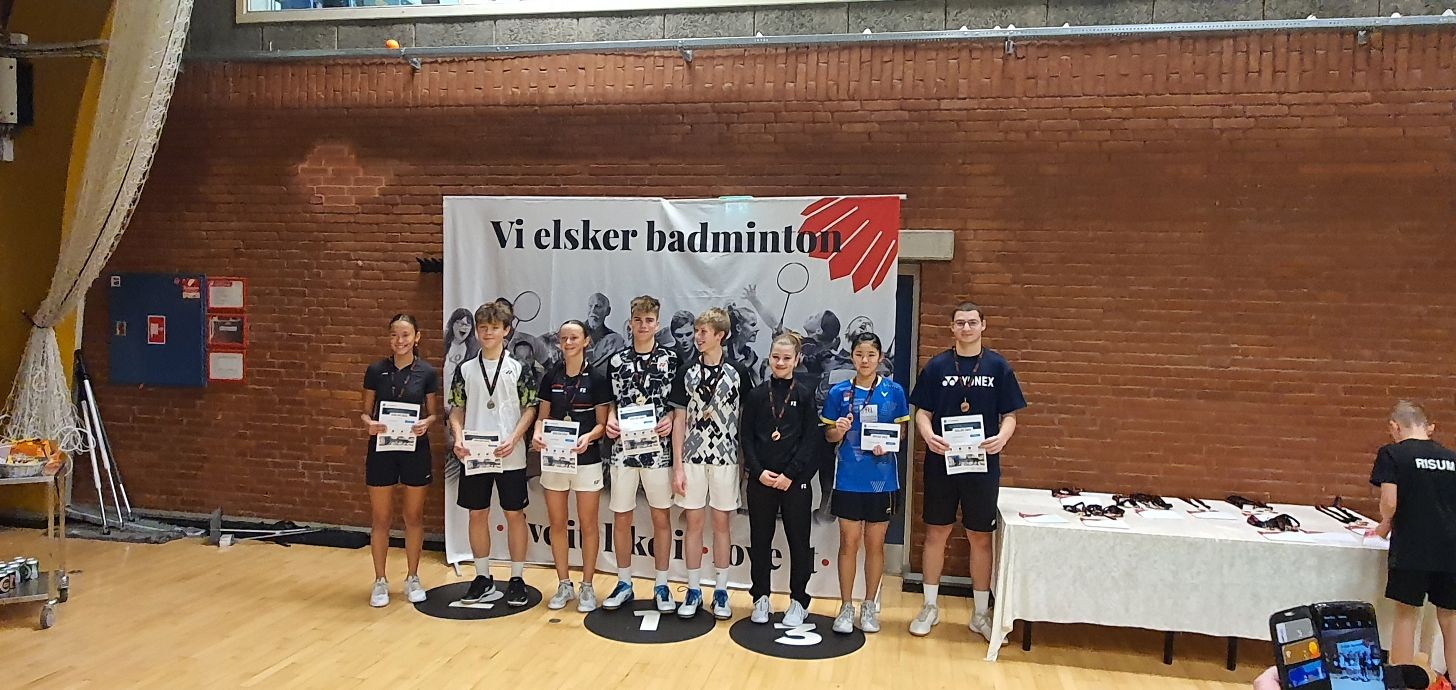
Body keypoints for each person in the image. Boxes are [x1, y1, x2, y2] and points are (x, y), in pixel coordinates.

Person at [908, 301, 1026, 640]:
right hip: (942, 463)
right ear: (952, 327)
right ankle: (930, 606)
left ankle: (980, 613)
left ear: (983, 325)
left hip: (982, 465)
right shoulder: (937, 366)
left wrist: (1002, 437)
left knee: (980, 537)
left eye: (972, 322)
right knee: (936, 533)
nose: (966, 328)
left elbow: (1010, 415)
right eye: (960, 322)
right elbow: (922, 412)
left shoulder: (998, 366)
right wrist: (927, 434)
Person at [448, 301, 540, 608]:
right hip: (474, 454)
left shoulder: (519, 368)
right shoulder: (465, 369)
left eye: (495, 328)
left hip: (510, 453)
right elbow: (457, 408)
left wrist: (515, 438)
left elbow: (530, 408)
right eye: (483, 328)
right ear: (477, 331)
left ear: (506, 331)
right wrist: (458, 437)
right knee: (477, 513)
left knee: (515, 514)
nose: (488, 333)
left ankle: (517, 577)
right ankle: (482, 576)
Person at [821, 331, 910, 634]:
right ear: (852, 357)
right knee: (848, 543)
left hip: (882, 481)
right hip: (848, 479)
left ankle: (869, 604)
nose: (865, 360)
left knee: (875, 544)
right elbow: (829, 436)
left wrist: (889, 444)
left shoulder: (894, 391)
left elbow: (902, 433)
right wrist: (839, 430)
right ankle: (846, 606)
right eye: (860, 354)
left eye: (871, 355)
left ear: (880, 358)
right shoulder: (839, 393)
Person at [669, 307, 752, 620]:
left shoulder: (739, 372)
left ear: (721, 335)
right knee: (693, 523)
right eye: (696, 331)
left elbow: (745, 420)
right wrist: (678, 466)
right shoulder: (686, 372)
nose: (698, 337)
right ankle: (692, 589)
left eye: (704, 332)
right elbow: (678, 420)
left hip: (725, 458)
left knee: (721, 526)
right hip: (692, 457)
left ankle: (721, 590)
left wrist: (743, 462)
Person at [601, 296, 680, 613]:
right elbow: (609, 401)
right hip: (623, 449)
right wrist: (609, 418)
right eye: (638, 320)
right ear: (630, 323)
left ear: (657, 324)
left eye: (649, 320)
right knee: (622, 516)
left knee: (661, 517)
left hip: (658, 451)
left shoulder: (671, 360)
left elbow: (678, 405)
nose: (643, 325)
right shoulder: (616, 361)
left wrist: (670, 418)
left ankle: (662, 584)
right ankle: (624, 582)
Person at [1370, 400, 1456, 681]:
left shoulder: (1392, 454)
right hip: (1451, 548)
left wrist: (1384, 523)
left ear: (1394, 426)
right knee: (1450, 618)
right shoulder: (1451, 458)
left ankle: (1403, 682)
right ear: (1429, 427)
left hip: (1412, 548)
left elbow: (1390, 502)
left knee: (1406, 615)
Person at [359, 314, 440, 607]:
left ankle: (412, 577)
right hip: (382, 449)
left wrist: (426, 423)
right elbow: (365, 412)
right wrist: (370, 424)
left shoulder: (427, 372)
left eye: (405, 335)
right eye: (394, 335)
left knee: (413, 516)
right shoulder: (375, 370)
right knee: (381, 518)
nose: (400, 340)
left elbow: (433, 413)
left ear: (417, 337)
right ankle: (380, 580)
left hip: (415, 449)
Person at [742, 330, 820, 626]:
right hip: (761, 479)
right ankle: (760, 597)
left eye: (787, 358)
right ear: (769, 357)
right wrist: (758, 471)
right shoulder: (757, 395)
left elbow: (811, 440)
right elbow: (746, 438)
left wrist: (790, 474)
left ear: (797, 360)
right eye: (776, 357)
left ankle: (799, 600)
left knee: (799, 542)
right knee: (760, 540)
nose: (780, 362)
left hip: (794, 482)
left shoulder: (804, 394)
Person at [533, 320, 612, 613]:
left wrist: (588, 437)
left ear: (586, 341)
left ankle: (587, 585)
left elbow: (602, 424)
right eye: (564, 338)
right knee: (557, 523)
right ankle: (564, 583)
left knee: (588, 524)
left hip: (587, 460)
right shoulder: (551, 375)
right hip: (555, 459)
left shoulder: (598, 378)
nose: (568, 343)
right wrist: (538, 434)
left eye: (574, 338)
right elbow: (542, 417)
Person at [443, 307, 481, 405]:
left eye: (467, 325)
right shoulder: (443, 343)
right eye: (460, 323)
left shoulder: (475, 350)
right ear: (452, 324)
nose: (463, 327)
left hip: (462, 402)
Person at [584, 292, 627, 368]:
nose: (593, 311)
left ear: (608, 311)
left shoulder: (614, 340)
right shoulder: (574, 333)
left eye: (598, 306)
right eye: (590, 306)